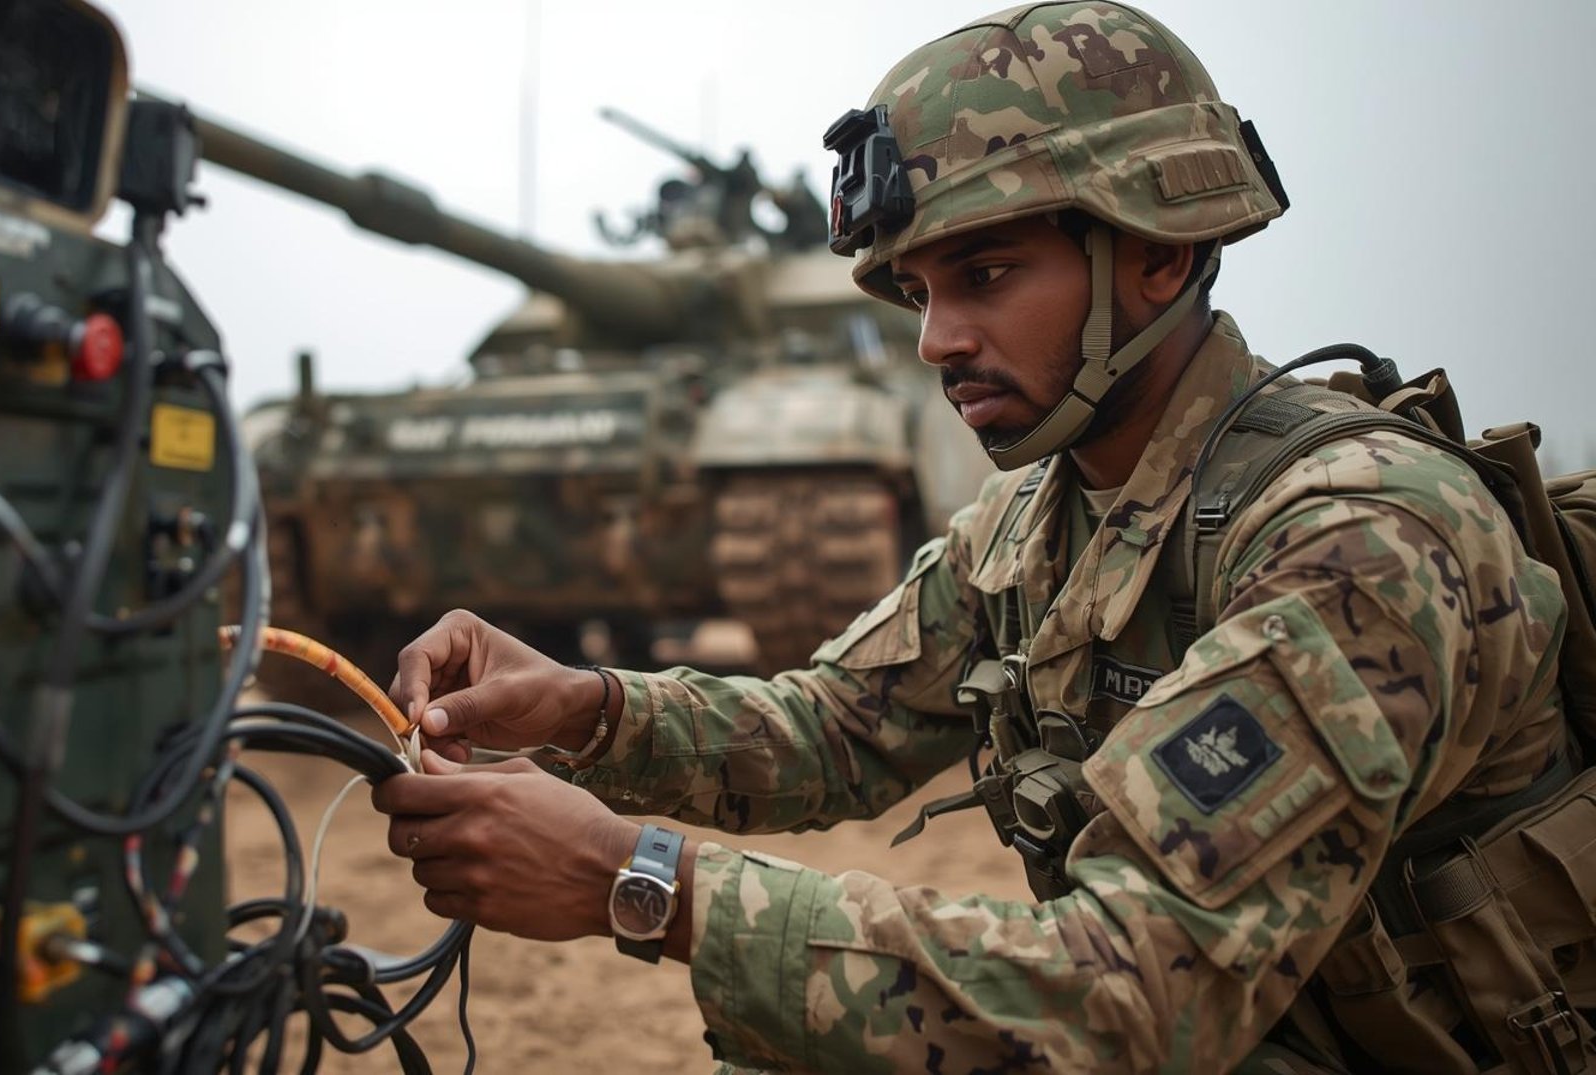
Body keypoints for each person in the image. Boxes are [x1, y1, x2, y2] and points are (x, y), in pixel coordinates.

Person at [370, 2, 1580, 1070]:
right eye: (916, 293)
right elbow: (835, 728)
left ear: (1158, 251)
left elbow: (1125, 994)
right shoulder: (1038, 523)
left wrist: (636, 882)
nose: (936, 340)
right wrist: (585, 707)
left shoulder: (1361, 537)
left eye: (986, 273)